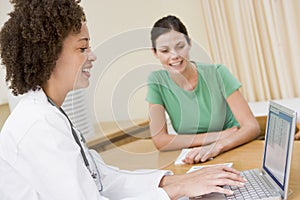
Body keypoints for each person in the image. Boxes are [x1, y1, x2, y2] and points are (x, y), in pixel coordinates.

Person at [0, 1, 246, 199]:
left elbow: (104, 179)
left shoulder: (51, 114)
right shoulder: (38, 127)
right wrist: (177, 190)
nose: (92, 56)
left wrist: (179, 180)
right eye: (83, 48)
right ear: (48, 55)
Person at [146, 15, 261, 164]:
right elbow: (160, 141)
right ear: (155, 53)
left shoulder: (218, 73)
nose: (174, 56)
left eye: (180, 47)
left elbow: (252, 127)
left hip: (233, 147)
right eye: (164, 51)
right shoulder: (156, 82)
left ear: (189, 44)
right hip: (196, 157)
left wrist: (216, 146)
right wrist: (217, 136)